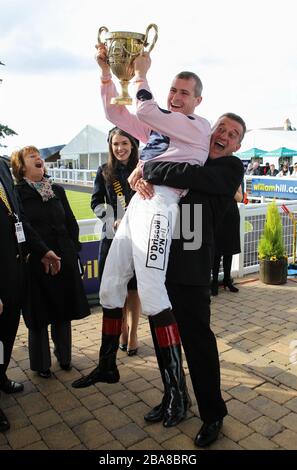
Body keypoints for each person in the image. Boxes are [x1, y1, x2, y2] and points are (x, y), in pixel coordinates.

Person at [72, 46, 210, 429]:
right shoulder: (156, 129)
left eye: (184, 93)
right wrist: (106, 74)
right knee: (111, 284)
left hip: (162, 208)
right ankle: (106, 365)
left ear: (197, 100)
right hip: (137, 207)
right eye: (173, 90)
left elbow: (146, 108)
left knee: (151, 295)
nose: (176, 96)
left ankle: (177, 393)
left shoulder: (197, 125)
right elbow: (115, 114)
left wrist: (141, 72)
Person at [132, 112, 245, 447]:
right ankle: (175, 398)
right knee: (163, 335)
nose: (224, 134)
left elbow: (190, 175)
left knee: (198, 343)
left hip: (192, 268)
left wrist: (148, 169)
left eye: (233, 133)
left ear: (238, 144)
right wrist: (143, 175)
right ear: (209, 132)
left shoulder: (229, 168)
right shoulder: (186, 152)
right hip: (159, 262)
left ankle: (213, 414)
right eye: (220, 128)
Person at [11, 146, 90, 378]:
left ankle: (64, 357)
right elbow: (23, 226)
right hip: (36, 260)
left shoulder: (56, 189)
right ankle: (41, 364)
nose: (38, 158)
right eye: (31, 156)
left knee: (63, 309)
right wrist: (43, 251)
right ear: (21, 166)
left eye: (39, 155)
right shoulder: (17, 193)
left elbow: (70, 222)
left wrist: (72, 250)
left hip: (63, 258)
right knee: (39, 313)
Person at [0, 158, 60, 432]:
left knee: (6, 333)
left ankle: (0, 377)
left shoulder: (1, 165)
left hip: (13, 272)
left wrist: (42, 250)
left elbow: (18, 219)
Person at [91, 127, 141, 356]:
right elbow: (96, 202)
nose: (120, 148)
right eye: (115, 144)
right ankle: (121, 328)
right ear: (110, 147)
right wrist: (111, 219)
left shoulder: (144, 169)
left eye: (124, 143)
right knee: (116, 288)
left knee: (134, 290)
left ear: (132, 145)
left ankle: (133, 334)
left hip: (138, 238)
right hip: (112, 239)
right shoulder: (104, 171)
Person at [210, 185, 243, 296]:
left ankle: (227, 280)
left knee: (229, 250)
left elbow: (240, 198)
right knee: (216, 251)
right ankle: (214, 282)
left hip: (232, 216)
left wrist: (230, 185)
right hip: (218, 215)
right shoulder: (218, 176)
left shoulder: (235, 180)